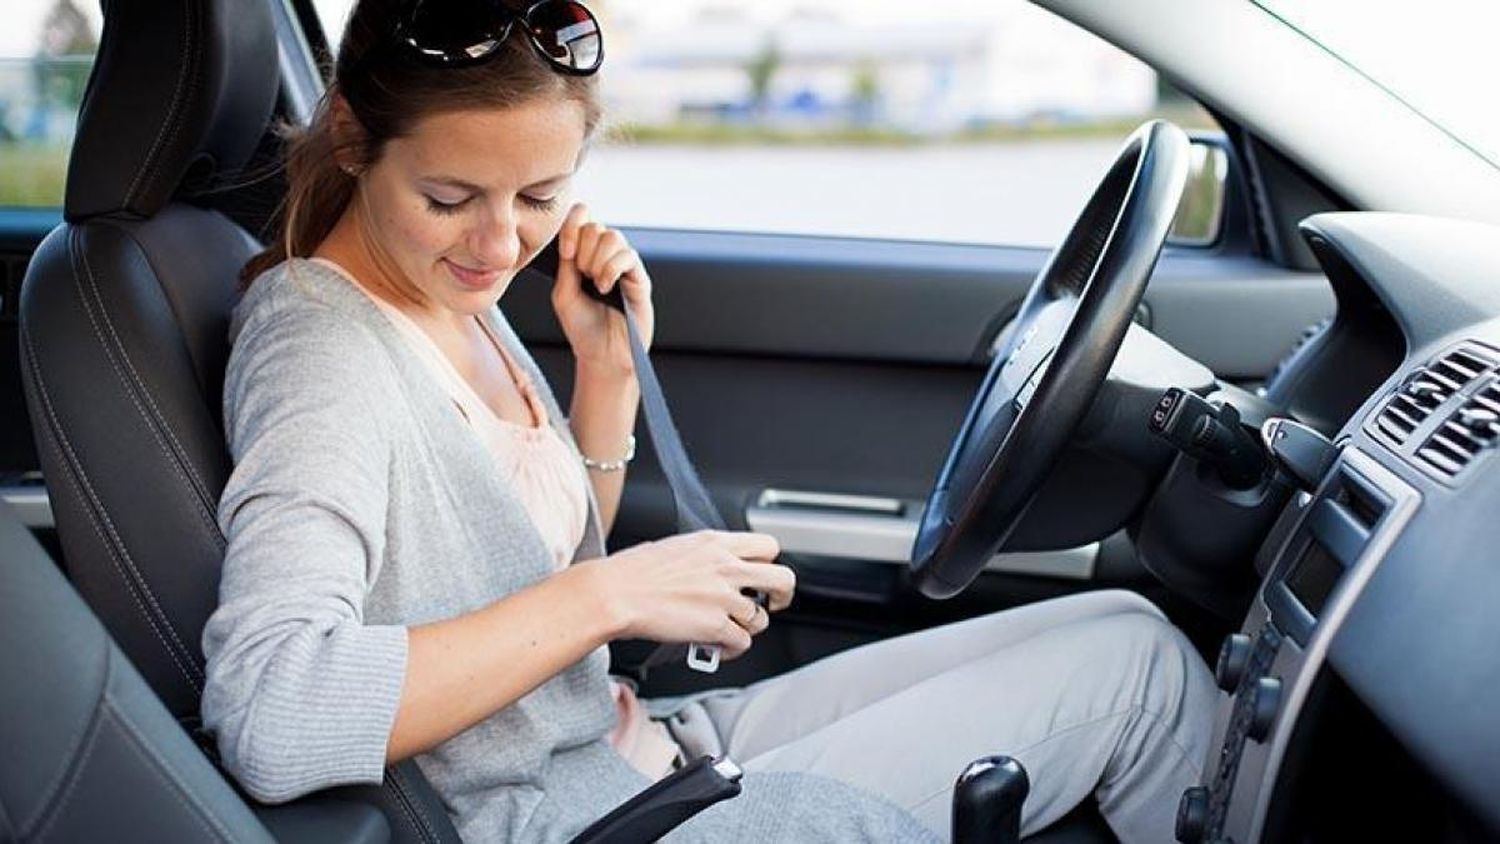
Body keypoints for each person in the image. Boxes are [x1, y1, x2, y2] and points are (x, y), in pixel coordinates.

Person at [200, 1, 1216, 841]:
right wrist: (611, 596)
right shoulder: (322, 348)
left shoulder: (445, 297)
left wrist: (606, 374)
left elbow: (521, 556)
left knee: (1133, 644)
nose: (501, 242)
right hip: (575, 813)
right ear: (352, 140)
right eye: (450, 195)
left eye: (541, 194)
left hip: (632, 746)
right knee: (1146, 690)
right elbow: (273, 709)